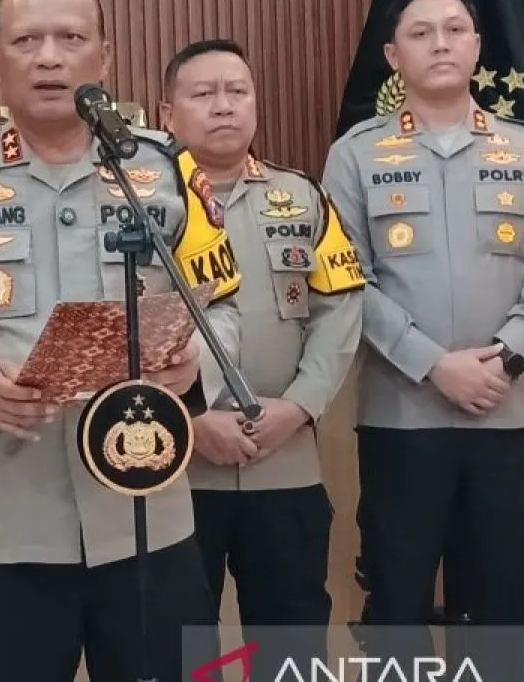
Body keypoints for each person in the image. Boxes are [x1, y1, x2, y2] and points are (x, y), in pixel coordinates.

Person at [0, 0, 237, 682]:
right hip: (3, 526)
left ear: (105, 56)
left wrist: (198, 367)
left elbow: (225, 309)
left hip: (146, 516)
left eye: (71, 38)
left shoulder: (163, 169)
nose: (49, 58)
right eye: (26, 41)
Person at [321, 0, 524, 677]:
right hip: (403, 415)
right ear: (393, 55)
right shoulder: (354, 155)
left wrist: (508, 355)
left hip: (509, 411)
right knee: (396, 598)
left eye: (454, 29)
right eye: (420, 32)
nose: (439, 43)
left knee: (503, 600)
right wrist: (434, 364)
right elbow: (345, 280)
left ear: (476, 45)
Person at [162, 39, 364, 676]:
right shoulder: (139, 205)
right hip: (176, 471)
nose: (224, 106)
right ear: (168, 114)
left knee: (290, 640)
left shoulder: (301, 196)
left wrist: (300, 406)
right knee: (179, 645)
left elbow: (339, 309)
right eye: (204, 94)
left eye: (238, 91)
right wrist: (191, 421)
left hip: (285, 461)